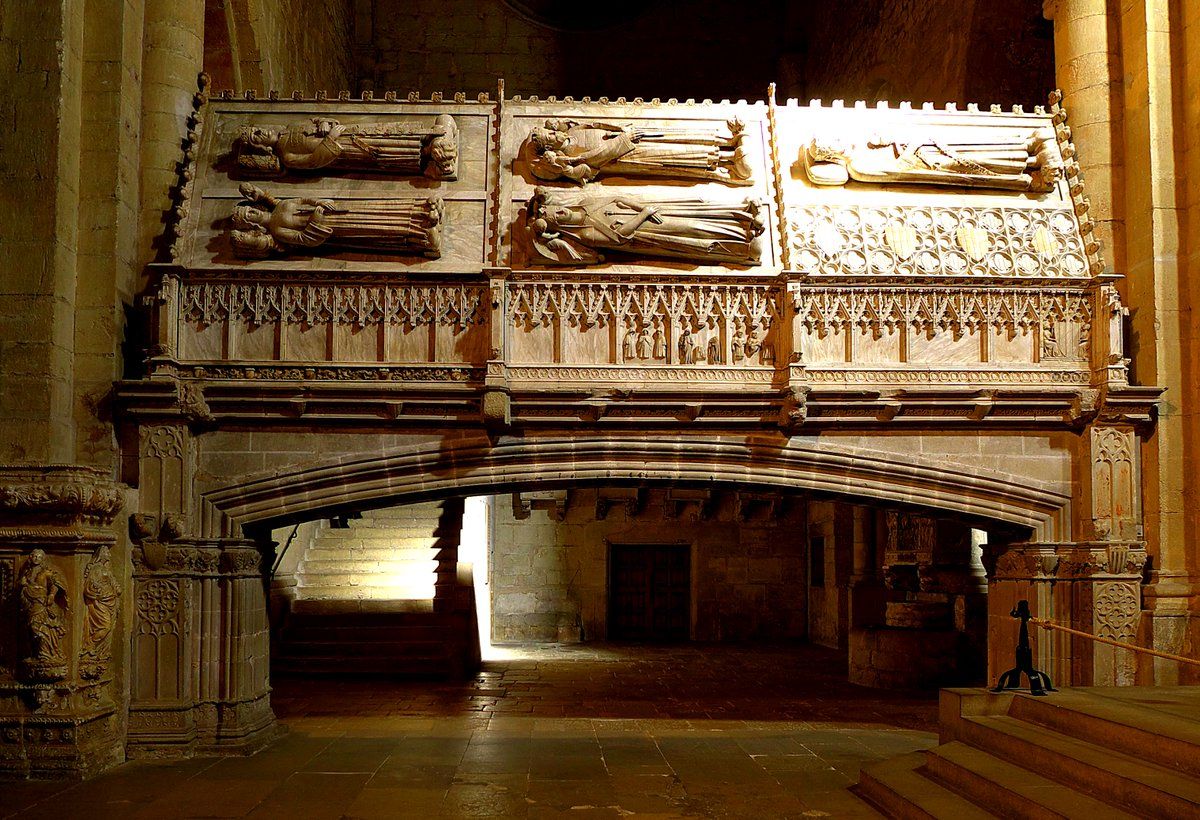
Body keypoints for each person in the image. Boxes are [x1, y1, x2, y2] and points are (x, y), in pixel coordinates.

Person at [528, 188, 763, 266]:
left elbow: (618, 198)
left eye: (556, 210)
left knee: (697, 208)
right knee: (693, 230)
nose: (560, 213)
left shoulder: (586, 204)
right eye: (555, 217)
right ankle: (743, 245)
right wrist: (642, 214)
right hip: (648, 232)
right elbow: (619, 238)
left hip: (652, 211)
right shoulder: (585, 235)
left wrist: (641, 206)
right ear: (558, 227)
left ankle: (743, 218)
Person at [230, 183, 444, 258]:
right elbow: (304, 239)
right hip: (335, 227)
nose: (252, 214)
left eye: (249, 211)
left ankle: (421, 212)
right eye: (248, 217)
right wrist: (316, 217)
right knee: (375, 228)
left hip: (336, 210)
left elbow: (305, 199)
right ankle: (420, 235)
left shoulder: (281, 205)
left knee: (377, 210)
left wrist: (319, 201)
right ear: (252, 225)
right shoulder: (277, 231)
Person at [528, 118, 751, 185]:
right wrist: (624, 139)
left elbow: (597, 125)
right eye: (550, 138)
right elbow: (596, 159)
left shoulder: (574, 130)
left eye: (550, 132)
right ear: (549, 147)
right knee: (674, 156)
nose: (554, 135)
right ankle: (725, 161)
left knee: (672, 139)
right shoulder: (572, 157)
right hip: (627, 154)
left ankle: (727, 144)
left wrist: (621, 129)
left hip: (629, 136)